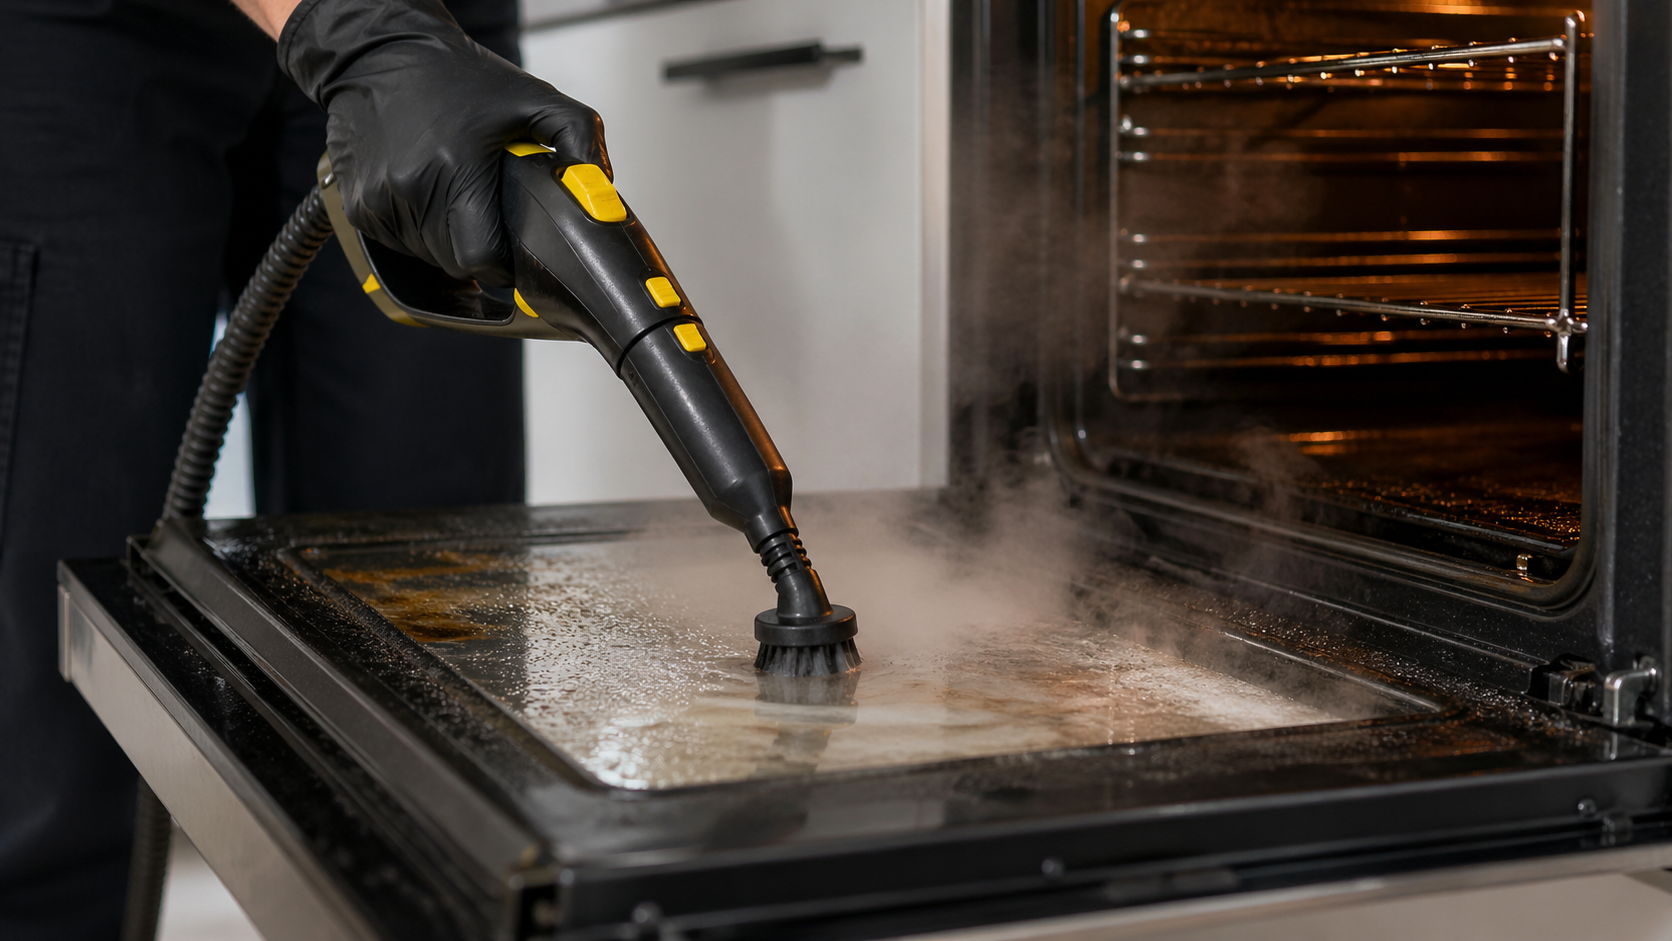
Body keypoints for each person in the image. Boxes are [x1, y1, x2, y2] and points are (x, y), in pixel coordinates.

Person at [0, 0, 607, 936]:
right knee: (53, 697)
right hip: (85, 34)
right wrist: (357, 29)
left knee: (431, 667)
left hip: (427, 28)